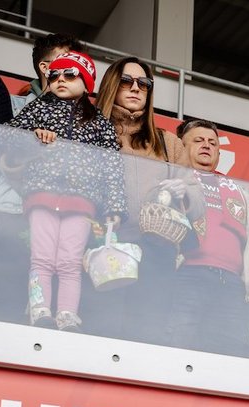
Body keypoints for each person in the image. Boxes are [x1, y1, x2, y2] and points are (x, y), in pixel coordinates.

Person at [1, 51, 125, 332]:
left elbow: (112, 165)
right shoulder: (39, 108)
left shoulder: (98, 120)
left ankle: (67, 315)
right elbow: (6, 134)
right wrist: (33, 135)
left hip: (81, 200)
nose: (60, 79)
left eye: (70, 74)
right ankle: (39, 310)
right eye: (54, 75)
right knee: (41, 258)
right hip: (42, 194)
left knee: (69, 261)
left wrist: (115, 208)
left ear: (87, 82)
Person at [85, 56, 190, 342]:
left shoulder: (167, 142)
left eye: (144, 83)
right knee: (100, 337)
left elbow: (196, 194)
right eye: (126, 81)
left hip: (155, 253)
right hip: (104, 245)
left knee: (148, 341)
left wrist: (185, 191)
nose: (136, 88)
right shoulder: (89, 131)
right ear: (111, 85)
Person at [164, 119, 249, 356]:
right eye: (198, 140)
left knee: (226, 358)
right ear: (182, 146)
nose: (207, 146)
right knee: (176, 350)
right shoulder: (173, 179)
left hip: (231, 285)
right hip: (186, 276)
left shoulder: (239, 191)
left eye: (213, 143)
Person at [12, 33, 84, 115]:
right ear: (44, 67)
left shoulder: (87, 116)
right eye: (64, 62)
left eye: (78, 65)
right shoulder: (12, 106)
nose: (72, 70)